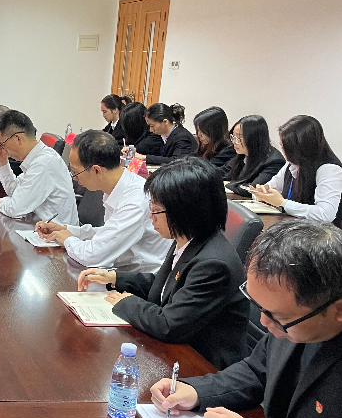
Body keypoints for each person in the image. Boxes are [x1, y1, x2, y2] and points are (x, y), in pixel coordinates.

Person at [151, 219, 342, 418]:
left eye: (278, 316)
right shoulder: (294, 318)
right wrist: (197, 391)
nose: (264, 323)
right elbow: (257, 369)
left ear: (338, 310)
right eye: (259, 308)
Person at [78, 158, 249, 369]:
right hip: (178, 350)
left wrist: (125, 302)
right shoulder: (187, 238)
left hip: (204, 365)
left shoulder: (214, 265)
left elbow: (169, 324)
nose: (151, 216)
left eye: (157, 210)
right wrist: (115, 277)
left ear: (185, 212)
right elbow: (165, 286)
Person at [37, 130, 166, 273]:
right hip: (120, 268)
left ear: (96, 170)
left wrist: (67, 239)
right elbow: (109, 233)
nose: (74, 178)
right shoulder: (119, 185)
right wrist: (68, 230)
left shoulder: (135, 201)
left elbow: (92, 256)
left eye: (75, 172)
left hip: (138, 278)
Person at [0, 110, 78, 224]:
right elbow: (14, 192)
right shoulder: (36, 158)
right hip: (39, 224)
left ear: (18, 138)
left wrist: (1, 202)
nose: (3, 148)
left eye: (3, 143)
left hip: (56, 231)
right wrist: (3, 163)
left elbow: (15, 209)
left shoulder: (43, 163)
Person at [249, 115, 342, 225]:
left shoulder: (329, 169)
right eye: (282, 146)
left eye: (287, 148)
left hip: (319, 233)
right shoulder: (291, 164)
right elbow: (272, 187)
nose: (283, 152)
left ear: (303, 147)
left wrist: (283, 203)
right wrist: (262, 194)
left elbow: (325, 214)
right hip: (293, 227)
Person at [224, 115, 285, 197]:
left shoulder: (274, 162)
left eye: (239, 137)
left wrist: (228, 184)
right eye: (233, 136)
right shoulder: (242, 155)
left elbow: (253, 189)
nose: (234, 141)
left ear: (254, 138)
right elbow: (221, 173)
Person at [130, 103, 197, 166]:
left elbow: (177, 161)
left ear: (165, 122)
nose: (150, 130)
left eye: (152, 126)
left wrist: (144, 157)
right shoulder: (163, 135)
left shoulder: (182, 137)